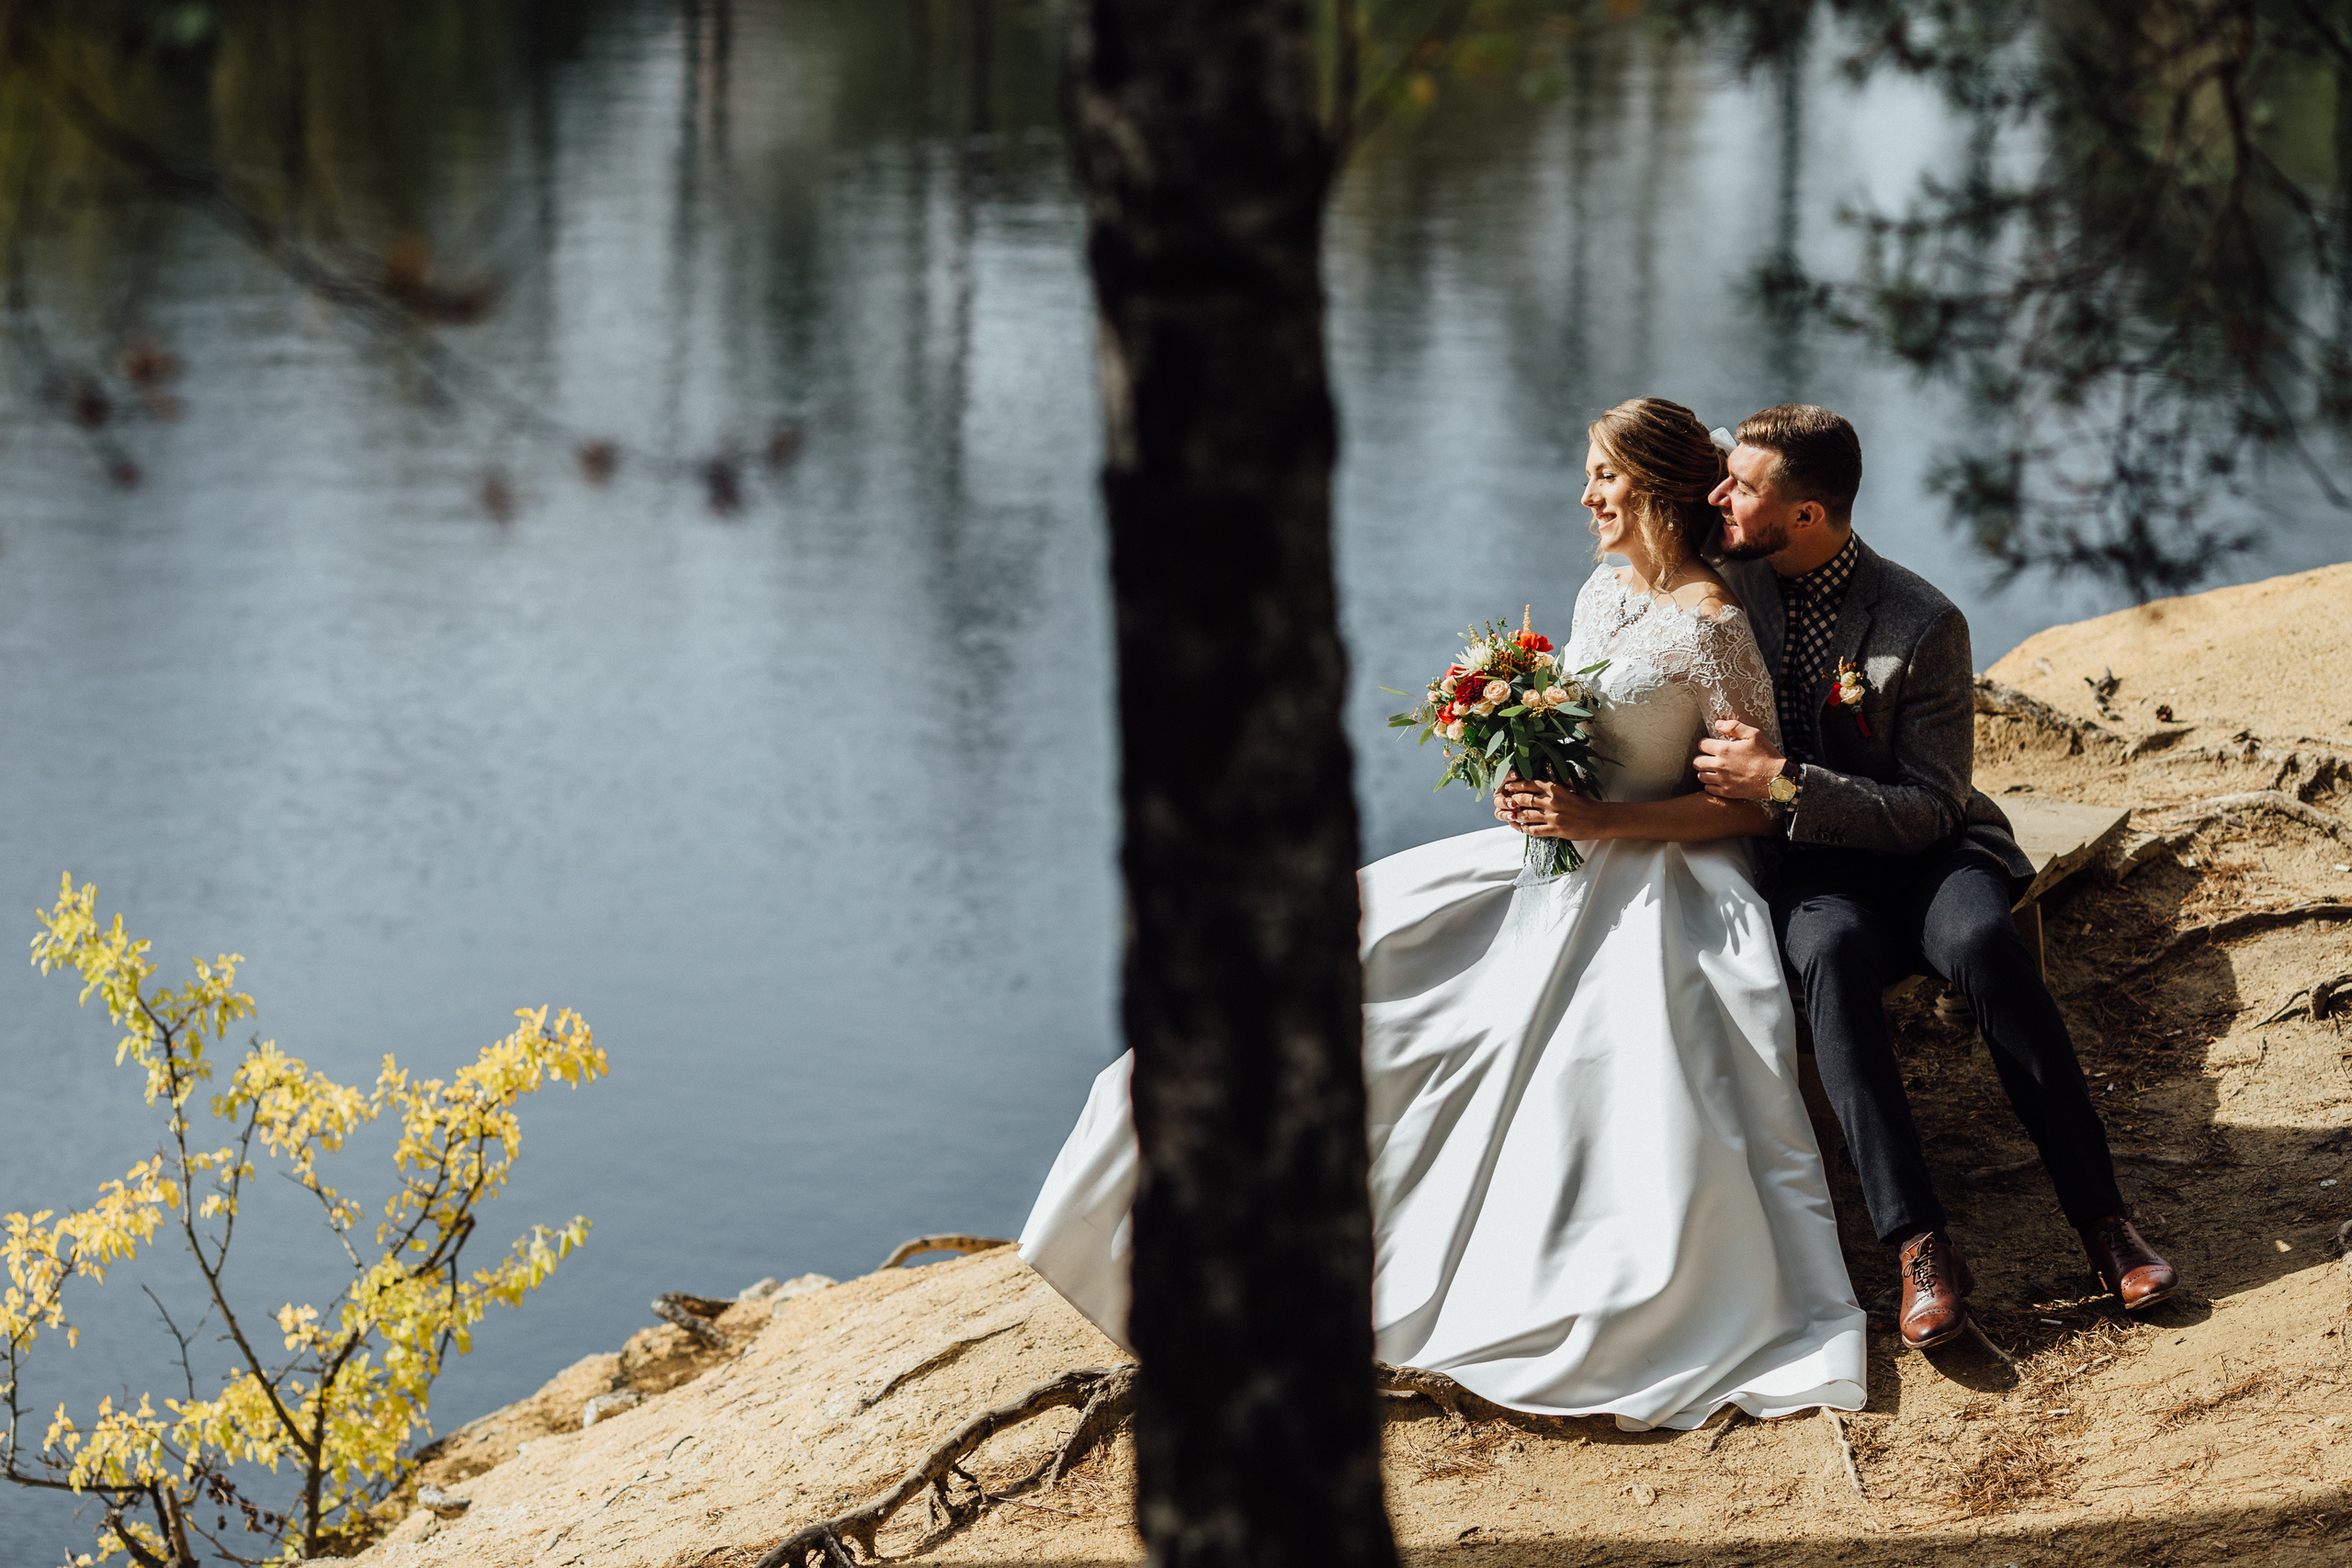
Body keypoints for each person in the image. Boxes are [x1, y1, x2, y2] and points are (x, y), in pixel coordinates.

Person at [1019, 398, 1866, 1432]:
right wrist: (1526, 775)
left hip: (1663, 879)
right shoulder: (1601, 593)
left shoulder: (1717, 626)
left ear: (1650, 488)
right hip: (1554, 858)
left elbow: (1747, 799)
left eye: (1602, 475)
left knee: (1577, 1051)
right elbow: (1582, 737)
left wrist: (1602, 818)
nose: (1586, 494)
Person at [1694, 404, 2181, 1350]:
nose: (1721, 493)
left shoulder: (1921, 620)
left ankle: (2103, 1222)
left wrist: (1788, 781)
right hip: (1812, 875)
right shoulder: (1722, 589)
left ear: (1805, 516)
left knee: (1983, 944)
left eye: (1744, 485)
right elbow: (1673, 458)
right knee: (1829, 958)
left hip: (1928, 856)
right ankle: (1920, 1244)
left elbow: (1930, 805)